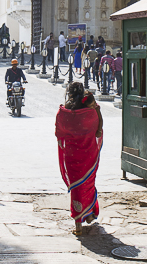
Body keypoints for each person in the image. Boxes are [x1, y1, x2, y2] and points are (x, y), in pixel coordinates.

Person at [55, 81, 103, 235]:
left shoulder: (64, 112)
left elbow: (59, 132)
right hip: (88, 152)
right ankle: (89, 214)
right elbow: (98, 128)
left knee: (76, 187)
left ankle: (78, 224)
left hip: (71, 154)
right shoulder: (90, 111)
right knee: (88, 182)